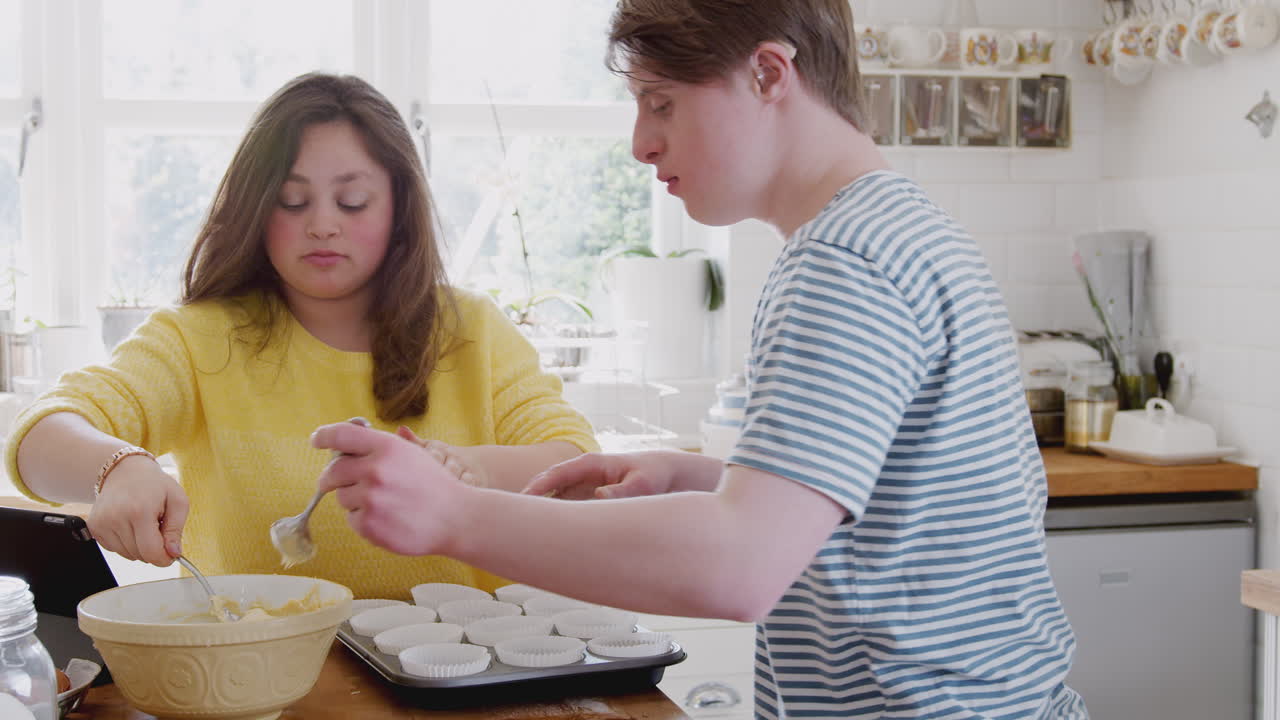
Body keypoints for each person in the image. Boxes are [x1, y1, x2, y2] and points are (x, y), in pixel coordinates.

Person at [309, 1, 1088, 717]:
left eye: (662, 102)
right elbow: (898, 507)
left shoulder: (843, 264)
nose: (641, 142)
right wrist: (707, 479)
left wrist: (456, 515)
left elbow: (740, 567)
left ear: (767, 73)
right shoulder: (900, 228)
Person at [6, 72, 598, 599]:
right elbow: (39, 436)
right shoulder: (201, 340)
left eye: (353, 201)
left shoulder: (472, 332)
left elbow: (576, 465)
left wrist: (464, 472)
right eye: (292, 201)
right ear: (256, 210)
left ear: (398, 206)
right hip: (251, 686)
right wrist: (118, 467)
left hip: (463, 681)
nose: (321, 224)